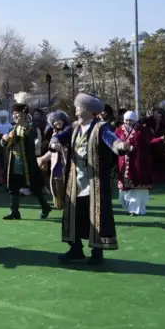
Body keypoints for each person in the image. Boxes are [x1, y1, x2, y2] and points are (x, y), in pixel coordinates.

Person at [54, 93, 130, 265]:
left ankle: (97, 252)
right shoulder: (74, 127)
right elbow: (59, 137)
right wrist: (54, 141)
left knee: (96, 216)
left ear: (88, 110)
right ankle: (76, 250)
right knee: (73, 215)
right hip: (75, 182)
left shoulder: (101, 127)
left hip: (94, 182)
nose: (76, 109)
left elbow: (112, 140)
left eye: (78, 106)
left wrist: (120, 146)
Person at [0, 99, 51, 220]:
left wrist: (16, 135)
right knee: (13, 187)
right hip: (14, 162)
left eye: (17, 114)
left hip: (28, 163)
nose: (15, 116)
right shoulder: (12, 129)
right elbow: (4, 145)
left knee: (35, 187)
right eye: (14, 114)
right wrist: (5, 139)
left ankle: (45, 207)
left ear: (24, 115)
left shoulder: (31, 127)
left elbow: (30, 136)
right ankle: (14, 212)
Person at [115, 111, 156, 216]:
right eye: (127, 120)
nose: (128, 122)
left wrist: (134, 148)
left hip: (139, 163)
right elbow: (115, 144)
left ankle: (136, 210)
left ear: (135, 120)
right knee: (123, 191)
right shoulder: (119, 130)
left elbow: (146, 144)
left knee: (138, 189)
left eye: (131, 120)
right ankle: (128, 207)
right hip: (124, 163)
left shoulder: (142, 130)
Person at [37, 110, 72, 210]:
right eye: (54, 121)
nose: (57, 122)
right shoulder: (54, 135)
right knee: (56, 183)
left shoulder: (69, 132)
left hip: (68, 164)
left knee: (67, 184)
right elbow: (52, 152)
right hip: (56, 164)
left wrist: (61, 147)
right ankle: (60, 203)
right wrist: (43, 158)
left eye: (58, 120)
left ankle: (69, 204)